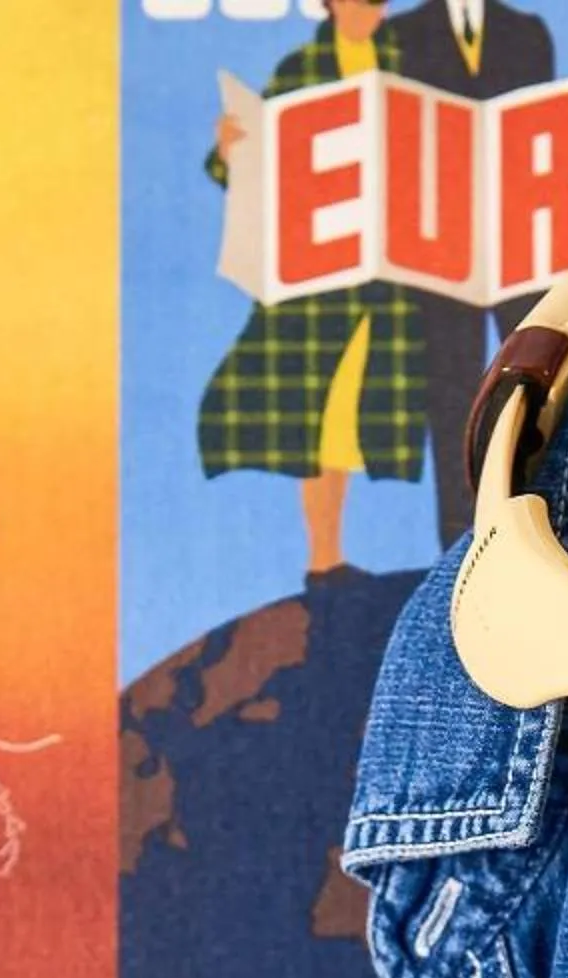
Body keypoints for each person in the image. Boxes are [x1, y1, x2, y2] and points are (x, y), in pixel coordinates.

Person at [197, 0, 426, 586]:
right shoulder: (301, 68)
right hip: (323, 280)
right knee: (323, 420)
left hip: (394, 276)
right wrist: (228, 150)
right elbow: (256, 158)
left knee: (367, 410)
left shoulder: (410, 58)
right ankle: (324, 557)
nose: (366, 10)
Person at [384, 0, 553, 547]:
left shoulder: (526, 33)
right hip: (435, 245)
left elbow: (545, 127)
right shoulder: (400, 34)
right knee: (450, 390)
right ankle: (458, 543)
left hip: (517, 239)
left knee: (536, 382)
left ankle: (538, 524)